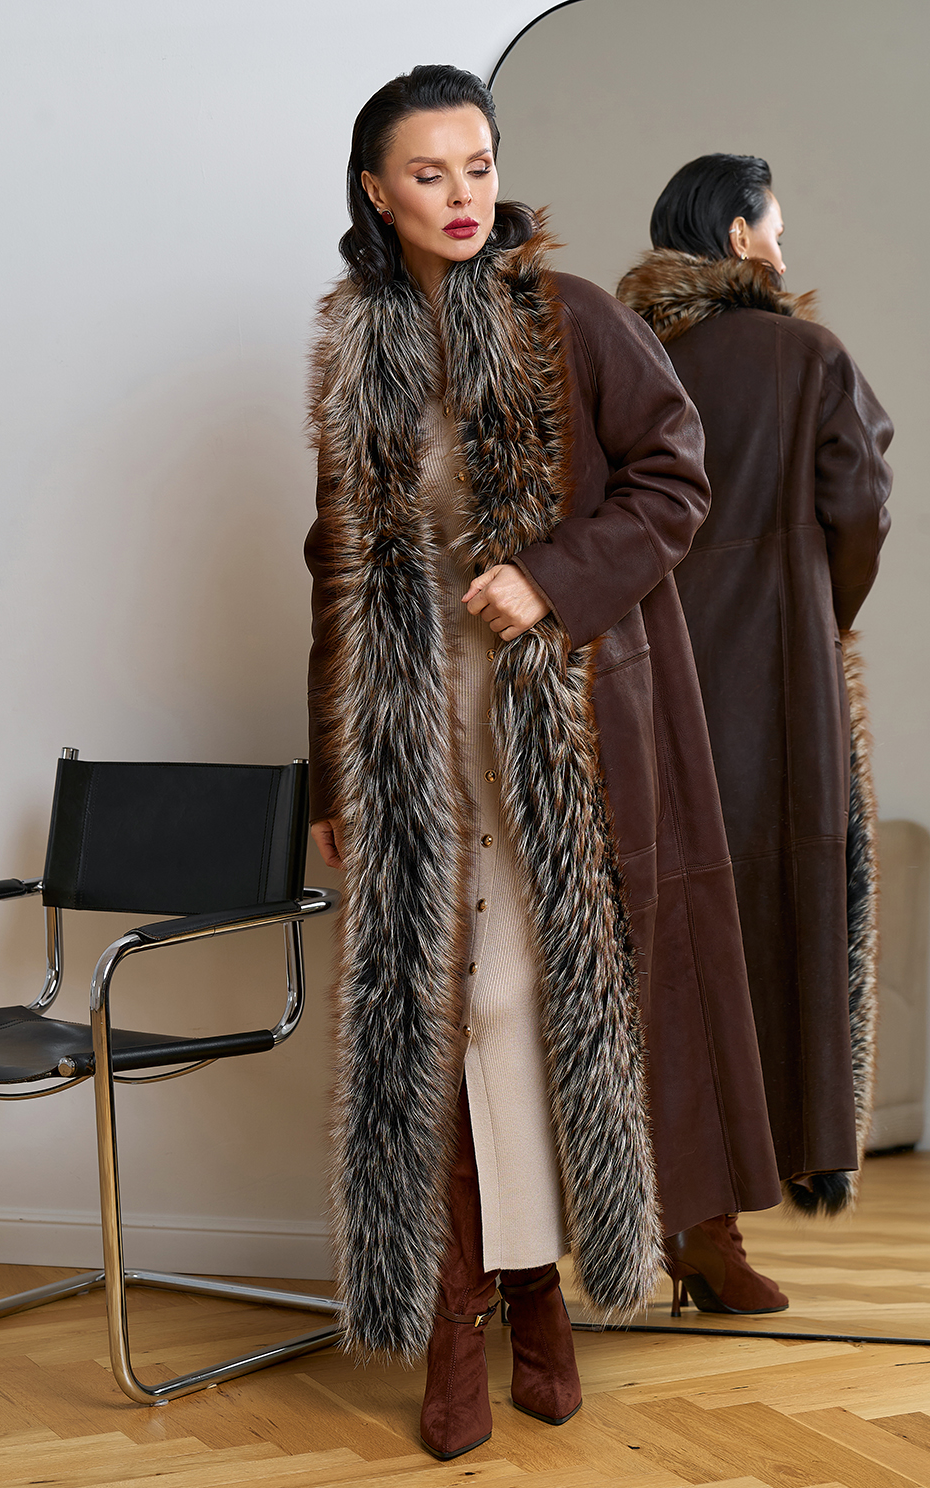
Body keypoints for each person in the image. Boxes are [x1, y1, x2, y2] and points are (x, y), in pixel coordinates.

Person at [305, 72, 781, 1462]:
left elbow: (673, 477)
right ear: (375, 190)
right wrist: (331, 776)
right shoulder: (357, 353)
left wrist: (551, 578)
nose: (462, 195)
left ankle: (523, 1293)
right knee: (436, 1016)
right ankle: (476, 1312)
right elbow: (333, 579)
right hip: (412, 733)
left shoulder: (568, 316)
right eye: (429, 173)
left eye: (477, 165)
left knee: (512, 1000)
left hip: (558, 719)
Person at [617, 156, 892, 1294]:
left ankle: (682, 1221)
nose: (782, 242)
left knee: (664, 948)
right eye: (774, 224)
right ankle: (713, 1233)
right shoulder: (805, 356)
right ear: (738, 235)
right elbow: (859, 507)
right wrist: (817, 614)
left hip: (639, 685)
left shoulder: (624, 359)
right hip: (778, 689)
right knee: (776, 938)